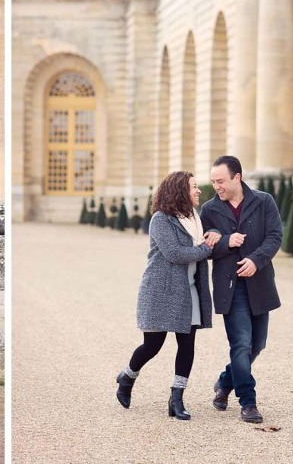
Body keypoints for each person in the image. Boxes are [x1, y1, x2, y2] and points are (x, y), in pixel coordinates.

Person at [115, 171, 218, 420]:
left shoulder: (196, 217)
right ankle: (127, 377)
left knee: (187, 344)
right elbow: (175, 254)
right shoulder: (160, 219)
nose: (198, 191)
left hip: (190, 289)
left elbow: (203, 249)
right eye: (194, 187)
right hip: (160, 290)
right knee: (153, 345)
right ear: (180, 190)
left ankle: (177, 397)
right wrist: (206, 247)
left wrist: (214, 237)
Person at [200, 155, 282, 424]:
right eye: (213, 182)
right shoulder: (209, 210)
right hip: (230, 288)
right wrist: (227, 241)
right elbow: (205, 249)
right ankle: (248, 402)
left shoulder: (264, 201)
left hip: (259, 284)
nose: (217, 187)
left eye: (221, 181)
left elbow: (274, 236)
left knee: (257, 344)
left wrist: (256, 261)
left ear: (238, 177)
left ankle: (225, 382)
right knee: (241, 344)